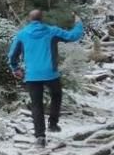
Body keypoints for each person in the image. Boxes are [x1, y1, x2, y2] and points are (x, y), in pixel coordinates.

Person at [6, 9, 84, 147]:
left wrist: (15, 68)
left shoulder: (22, 34)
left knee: (36, 105)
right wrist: (78, 22)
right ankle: (53, 124)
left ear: (29, 20)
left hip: (32, 75)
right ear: (42, 19)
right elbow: (73, 36)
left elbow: (12, 55)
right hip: (50, 73)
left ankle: (40, 137)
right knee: (57, 94)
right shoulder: (51, 31)